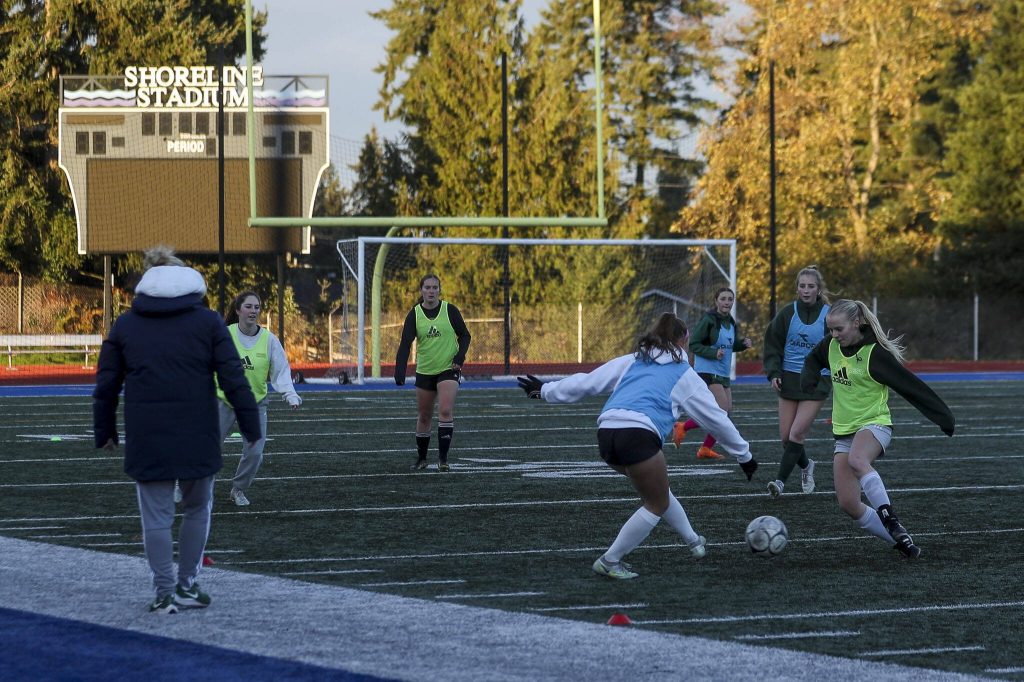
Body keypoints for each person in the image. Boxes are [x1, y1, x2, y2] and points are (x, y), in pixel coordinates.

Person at [517, 313, 759, 580]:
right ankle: (610, 560)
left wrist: (546, 390)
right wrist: (744, 455)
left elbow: (588, 381)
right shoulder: (684, 374)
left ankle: (693, 540)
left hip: (607, 434)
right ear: (682, 340)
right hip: (637, 435)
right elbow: (716, 419)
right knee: (655, 502)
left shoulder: (634, 360)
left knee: (659, 491)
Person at [93, 246, 260, 614]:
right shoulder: (208, 322)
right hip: (198, 430)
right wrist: (250, 425)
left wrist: (104, 429)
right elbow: (233, 378)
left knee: (156, 516)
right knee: (198, 508)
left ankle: (163, 591)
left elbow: (106, 383)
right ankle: (187, 585)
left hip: (146, 433)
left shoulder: (126, 323)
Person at [801, 299, 954, 560]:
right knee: (848, 503)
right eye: (830, 330)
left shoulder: (875, 355)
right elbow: (813, 360)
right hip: (844, 432)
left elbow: (911, 386)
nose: (834, 335)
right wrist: (809, 380)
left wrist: (943, 417)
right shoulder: (831, 345)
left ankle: (891, 519)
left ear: (856, 323)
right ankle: (901, 539)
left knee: (858, 460)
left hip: (875, 424)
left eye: (839, 329)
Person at [217, 291, 302, 506]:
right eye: (249, 306)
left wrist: (290, 394)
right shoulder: (224, 334)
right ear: (238, 310)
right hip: (223, 401)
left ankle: (238, 490)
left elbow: (280, 370)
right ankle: (186, 483)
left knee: (255, 453)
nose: (253, 311)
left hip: (254, 404)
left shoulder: (269, 339)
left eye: (257, 307)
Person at [761, 266, 832, 498]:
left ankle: (779, 483)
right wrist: (774, 373)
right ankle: (806, 465)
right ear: (797, 288)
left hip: (816, 380)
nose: (806, 290)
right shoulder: (787, 313)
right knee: (786, 438)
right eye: (802, 286)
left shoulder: (829, 315)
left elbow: (839, 346)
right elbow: (772, 344)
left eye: (811, 286)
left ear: (818, 289)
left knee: (797, 434)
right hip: (789, 380)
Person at [394, 274, 471, 472]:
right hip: (425, 370)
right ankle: (422, 459)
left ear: (439, 290)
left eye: (434, 287)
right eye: (427, 287)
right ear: (421, 290)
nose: (430, 291)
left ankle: (443, 459)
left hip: (448, 368)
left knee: (445, 410)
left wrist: (459, 358)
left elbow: (465, 335)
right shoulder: (415, 314)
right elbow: (405, 344)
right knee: (425, 415)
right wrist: (399, 371)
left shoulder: (450, 310)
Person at [674, 287, 753, 460]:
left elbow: (730, 346)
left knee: (726, 413)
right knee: (721, 411)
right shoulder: (709, 320)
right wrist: (713, 353)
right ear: (716, 300)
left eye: (730, 299)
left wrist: (743, 345)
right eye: (723, 299)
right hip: (707, 371)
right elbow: (694, 344)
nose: (726, 302)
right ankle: (692, 436)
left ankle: (697, 440)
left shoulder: (731, 322)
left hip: (723, 373)